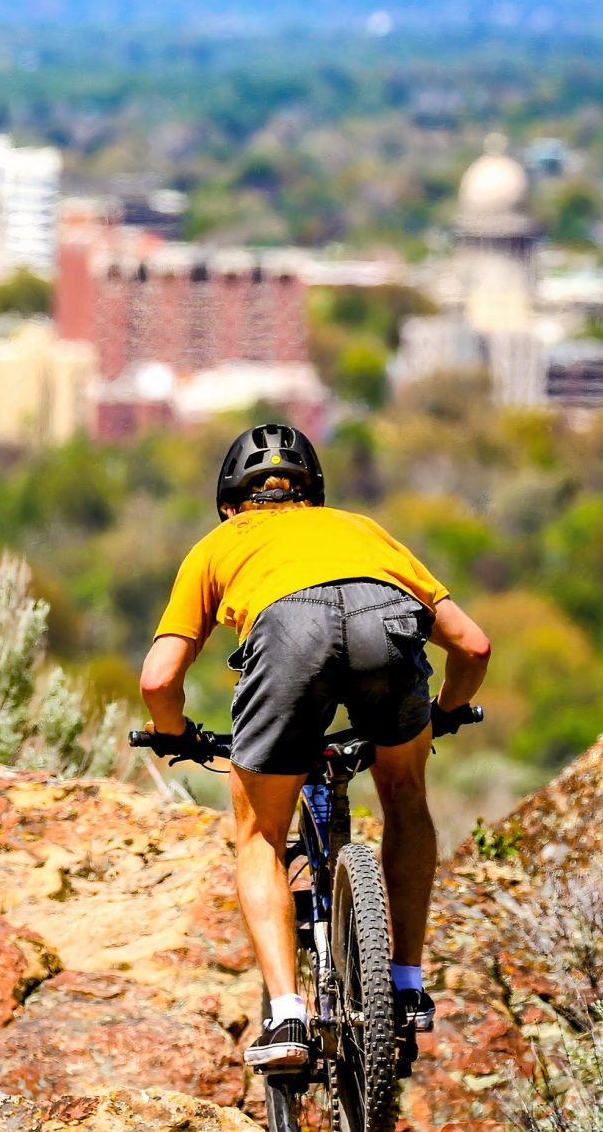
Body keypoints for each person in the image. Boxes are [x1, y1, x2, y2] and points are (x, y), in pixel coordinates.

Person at [139, 424, 491, 1072]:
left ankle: (288, 1016)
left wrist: (174, 732)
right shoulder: (363, 531)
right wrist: (439, 715)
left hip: (288, 635)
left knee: (260, 835)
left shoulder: (217, 545)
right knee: (405, 796)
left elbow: (158, 680)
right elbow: (473, 645)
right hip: (385, 623)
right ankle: (407, 986)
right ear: (314, 496)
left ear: (229, 504)